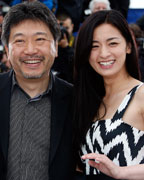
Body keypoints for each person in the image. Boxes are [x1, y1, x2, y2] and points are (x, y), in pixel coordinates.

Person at [0, 1, 74, 180]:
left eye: (40, 39)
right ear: (8, 50)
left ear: (56, 47)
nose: (30, 50)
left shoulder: (76, 100)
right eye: (19, 41)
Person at [73, 9, 144, 179]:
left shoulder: (141, 95)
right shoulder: (87, 99)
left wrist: (121, 172)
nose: (104, 53)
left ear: (128, 46)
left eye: (112, 43)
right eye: (94, 46)